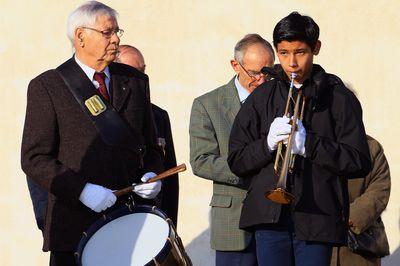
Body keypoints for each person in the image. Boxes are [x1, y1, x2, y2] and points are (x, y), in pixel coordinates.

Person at [20, 1, 163, 265]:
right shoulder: (48, 86)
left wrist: (153, 174)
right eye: (107, 32)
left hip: (129, 221)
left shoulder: (135, 81)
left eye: (118, 32)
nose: (115, 39)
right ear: (80, 36)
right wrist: (82, 190)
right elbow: (34, 158)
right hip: (74, 223)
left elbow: (151, 146)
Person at [228, 12, 372, 266]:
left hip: (317, 218)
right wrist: (268, 144)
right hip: (269, 217)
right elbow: (237, 160)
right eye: (283, 53)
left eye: (300, 52)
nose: (291, 62)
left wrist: (310, 145)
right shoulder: (262, 97)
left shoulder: (339, 98)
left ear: (316, 48)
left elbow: (359, 160)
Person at [189, 34, 275, 266]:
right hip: (233, 221)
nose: (262, 80)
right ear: (235, 65)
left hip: (276, 218)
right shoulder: (207, 104)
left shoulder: (281, 99)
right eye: (255, 73)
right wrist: (249, 168)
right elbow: (201, 160)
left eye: (269, 72)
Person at [115, 45, 180, 227]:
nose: (139, 79)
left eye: (142, 71)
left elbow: (169, 174)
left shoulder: (157, 115)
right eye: (132, 73)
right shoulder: (103, 116)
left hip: (149, 218)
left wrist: (170, 222)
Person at [331, 135, 390, 266]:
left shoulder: (371, 147)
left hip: (360, 245)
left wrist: (349, 218)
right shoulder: (309, 144)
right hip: (317, 243)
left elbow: (380, 189)